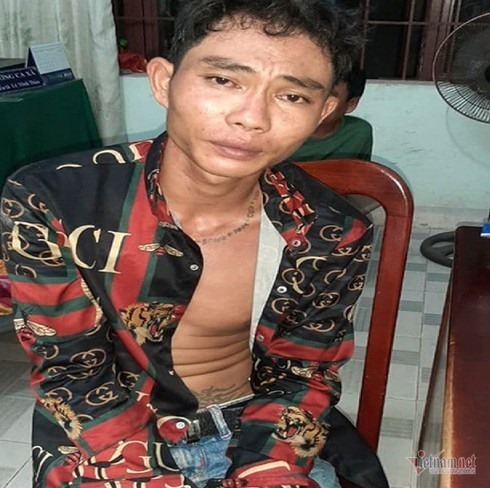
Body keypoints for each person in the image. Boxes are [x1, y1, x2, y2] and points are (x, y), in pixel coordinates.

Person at [0, 1, 374, 487]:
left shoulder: (329, 230)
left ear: (324, 113)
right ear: (163, 82)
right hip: (109, 435)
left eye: (292, 96)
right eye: (223, 80)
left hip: (255, 430)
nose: (252, 117)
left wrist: (269, 469)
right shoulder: (55, 200)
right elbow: (70, 371)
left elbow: (304, 372)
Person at [288, 64, 373, 162]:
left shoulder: (358, 133)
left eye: (329, 96)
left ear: (351, 104)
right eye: (311, 93)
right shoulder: (280, 130)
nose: (317, 102)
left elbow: (361, 170)